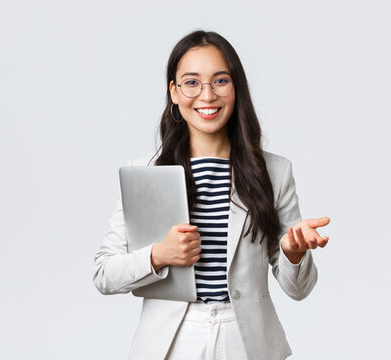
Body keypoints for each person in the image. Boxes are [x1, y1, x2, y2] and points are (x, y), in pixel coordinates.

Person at [93, 30, 331, 360]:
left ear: (236, 89)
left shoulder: (274, 172)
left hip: (246, 339)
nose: (207, 95)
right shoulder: (145, 171)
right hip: (171, 342)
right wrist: (159, 255)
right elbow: (104, 274)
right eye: (192, 83)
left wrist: (292, 253)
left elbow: (299, 289)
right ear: (174, 92)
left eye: (220, 81)